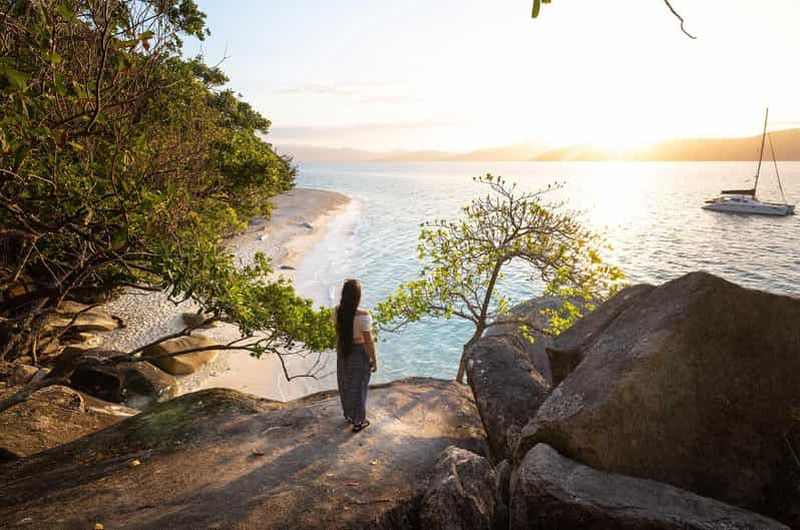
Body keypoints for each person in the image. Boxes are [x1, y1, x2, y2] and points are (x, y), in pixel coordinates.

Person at [334, 279, 377, 432]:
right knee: (359, 385)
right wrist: (374, 360)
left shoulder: (337, 311)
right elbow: (369, 342)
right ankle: (359, 421)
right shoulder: (363, 315)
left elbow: (338, 332)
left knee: (345, 382)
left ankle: (349, 414)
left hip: (343, 349)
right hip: (359, 352)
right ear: (358, 296)